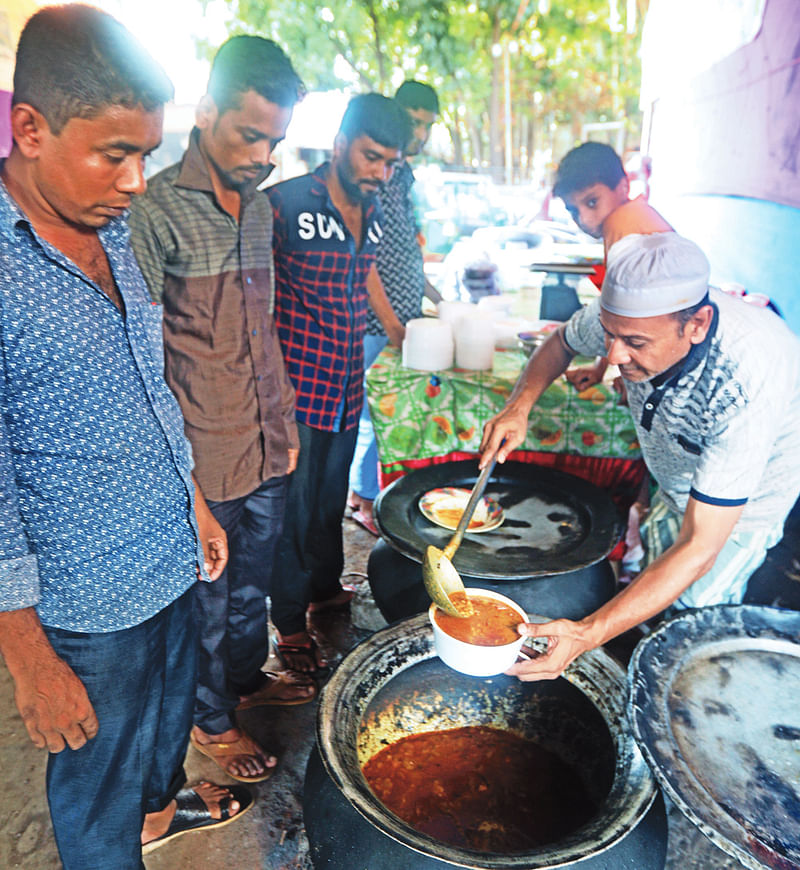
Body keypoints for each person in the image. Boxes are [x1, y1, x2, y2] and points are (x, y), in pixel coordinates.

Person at [0, 6, 251, 868]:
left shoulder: (113, 229)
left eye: (146, 154)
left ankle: (159, 813)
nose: (138, 180)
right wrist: (29, 657)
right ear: (29, 129)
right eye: (116, 154)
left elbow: (152, 388)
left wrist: (195, 504)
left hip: (169, 558)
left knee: (159, 739)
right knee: (96, 791)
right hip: (86, 604)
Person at [480, 232, 800, 681]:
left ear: (697, 325)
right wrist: (519, 406)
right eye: (609, 335)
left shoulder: (743, 380)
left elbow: (699, 547)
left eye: (634, 343)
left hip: (743, 508)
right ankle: (640, 632)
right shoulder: (631, 318)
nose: (613, 355)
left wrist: (588, 633)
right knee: (656, 567)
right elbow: (561, 343)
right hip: (678, 477)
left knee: (689, 618)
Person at [129, 36, 313, 785]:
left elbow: (261, 330)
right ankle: (208, 723)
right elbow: (145, 354)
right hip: (203, 455)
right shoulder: (157, 210)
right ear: (205, 112)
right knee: (206, 599)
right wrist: (178, 476)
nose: (263, 154)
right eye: (250, 134)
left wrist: (288, 425)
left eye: (276, 139)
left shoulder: (262, 209)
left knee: (253, 587)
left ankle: (241, 684)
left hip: (270, 442)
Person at [267, 93, 412, 672]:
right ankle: (287, 622)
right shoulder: (284, 204)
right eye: (372, 157)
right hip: (295, 391)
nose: (380, 172)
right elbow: (252, 297)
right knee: (292, 513)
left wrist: (400, 330)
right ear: (340, 146)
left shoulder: (372, 208)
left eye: (390, 163)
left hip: (347, 382)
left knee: (329, 501)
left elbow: (367, 269)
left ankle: (325, 589)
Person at [348, 80, 443, 535]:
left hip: (402, 321)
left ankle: (372, 492)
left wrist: (438, 301)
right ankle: (364, 500)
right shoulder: (376, 178)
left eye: (427, 125)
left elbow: (404, 253)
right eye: (413, 121)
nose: (419, 133)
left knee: (390, 409)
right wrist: (390, 324)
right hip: (374, 325)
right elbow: (364, 260)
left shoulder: (402, 177)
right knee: (374, 412)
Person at [552, 141, 673, 391]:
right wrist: (600, 370)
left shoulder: (622, 223)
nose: (583, 219)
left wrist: (638, 379)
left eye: (592, 202)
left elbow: (641, 319)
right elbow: (621, 314)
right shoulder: (635, 214)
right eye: (573, 210)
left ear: (624, 186)